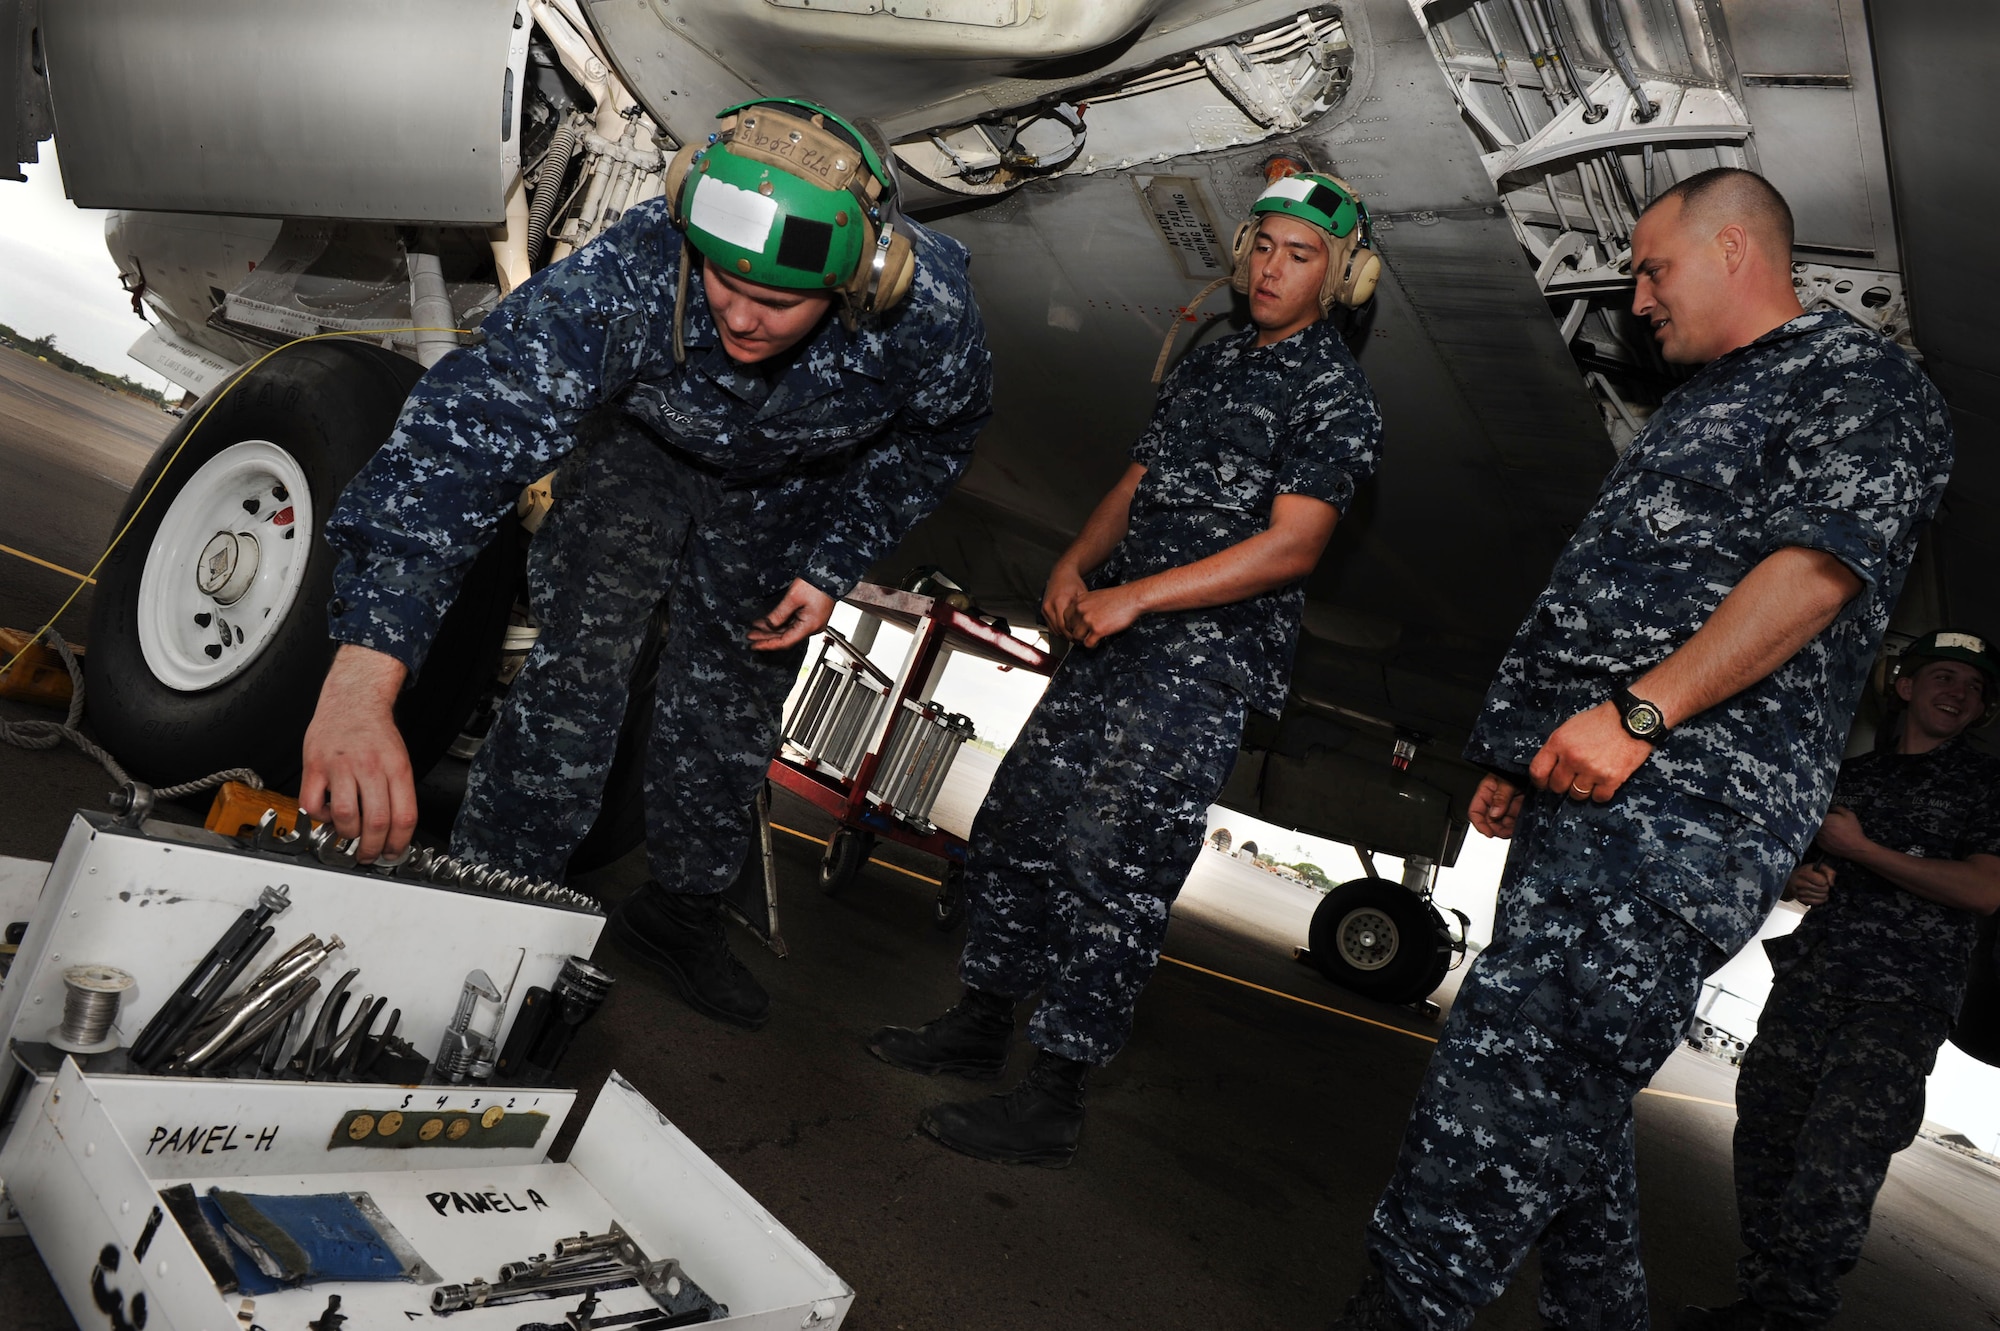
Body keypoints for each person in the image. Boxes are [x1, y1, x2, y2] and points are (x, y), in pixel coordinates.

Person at [1331, 167, 1953, 1330]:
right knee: (1566, 1114)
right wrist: (1534, 751)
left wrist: (1635, 717)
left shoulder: (1860, 379)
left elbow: (1813, 571)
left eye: (1652, 268)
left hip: (1680, 811)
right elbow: (1631, 599)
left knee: (1500, 1103)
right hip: (1604, 802)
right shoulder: (1708, 400)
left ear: (1733, 251)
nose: (1637, 297)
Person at [299, 99, 992, 1031]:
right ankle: (491, 900)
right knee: (578, 673)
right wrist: (362, 678)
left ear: (859, 280)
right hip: (641, 456)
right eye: (722, 280)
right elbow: (469, 438)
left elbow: (940, 437)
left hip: (786, 487)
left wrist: (834, 561)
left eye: (780, 301)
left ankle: (682, 913)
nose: (743, 316)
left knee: (734, 697)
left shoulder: (925, 310)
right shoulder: (633, 270)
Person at [865, 171, 1385, 1168]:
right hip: (1112, 642)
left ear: (1340, 276)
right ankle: (978, 1021)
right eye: (1262, 246)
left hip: (1196, 668)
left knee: (1114, 865)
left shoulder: (1333, 395)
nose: (1272, 269)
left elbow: (1292, 547)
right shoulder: (1215, 361)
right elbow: (1136, 481)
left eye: (1300, 255)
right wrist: (1071, 563)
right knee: (1016, 822)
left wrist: (1138, 595)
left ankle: (1053, 1092)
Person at [1681, 631, 2000, 1331]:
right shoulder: (1850, 778)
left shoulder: (1986, 785)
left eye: (1974, 688)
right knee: (1765, 1137)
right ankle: (1760, 1304)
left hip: (1899, 1002)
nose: (1958, 692)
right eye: (1943, 675)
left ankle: (1793, 1317)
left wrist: (1861, 849)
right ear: (1905, 686)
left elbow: (1984, 888)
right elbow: (1797, 868)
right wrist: (1803, 876)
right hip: (1812, 981)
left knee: (1836, 1162)